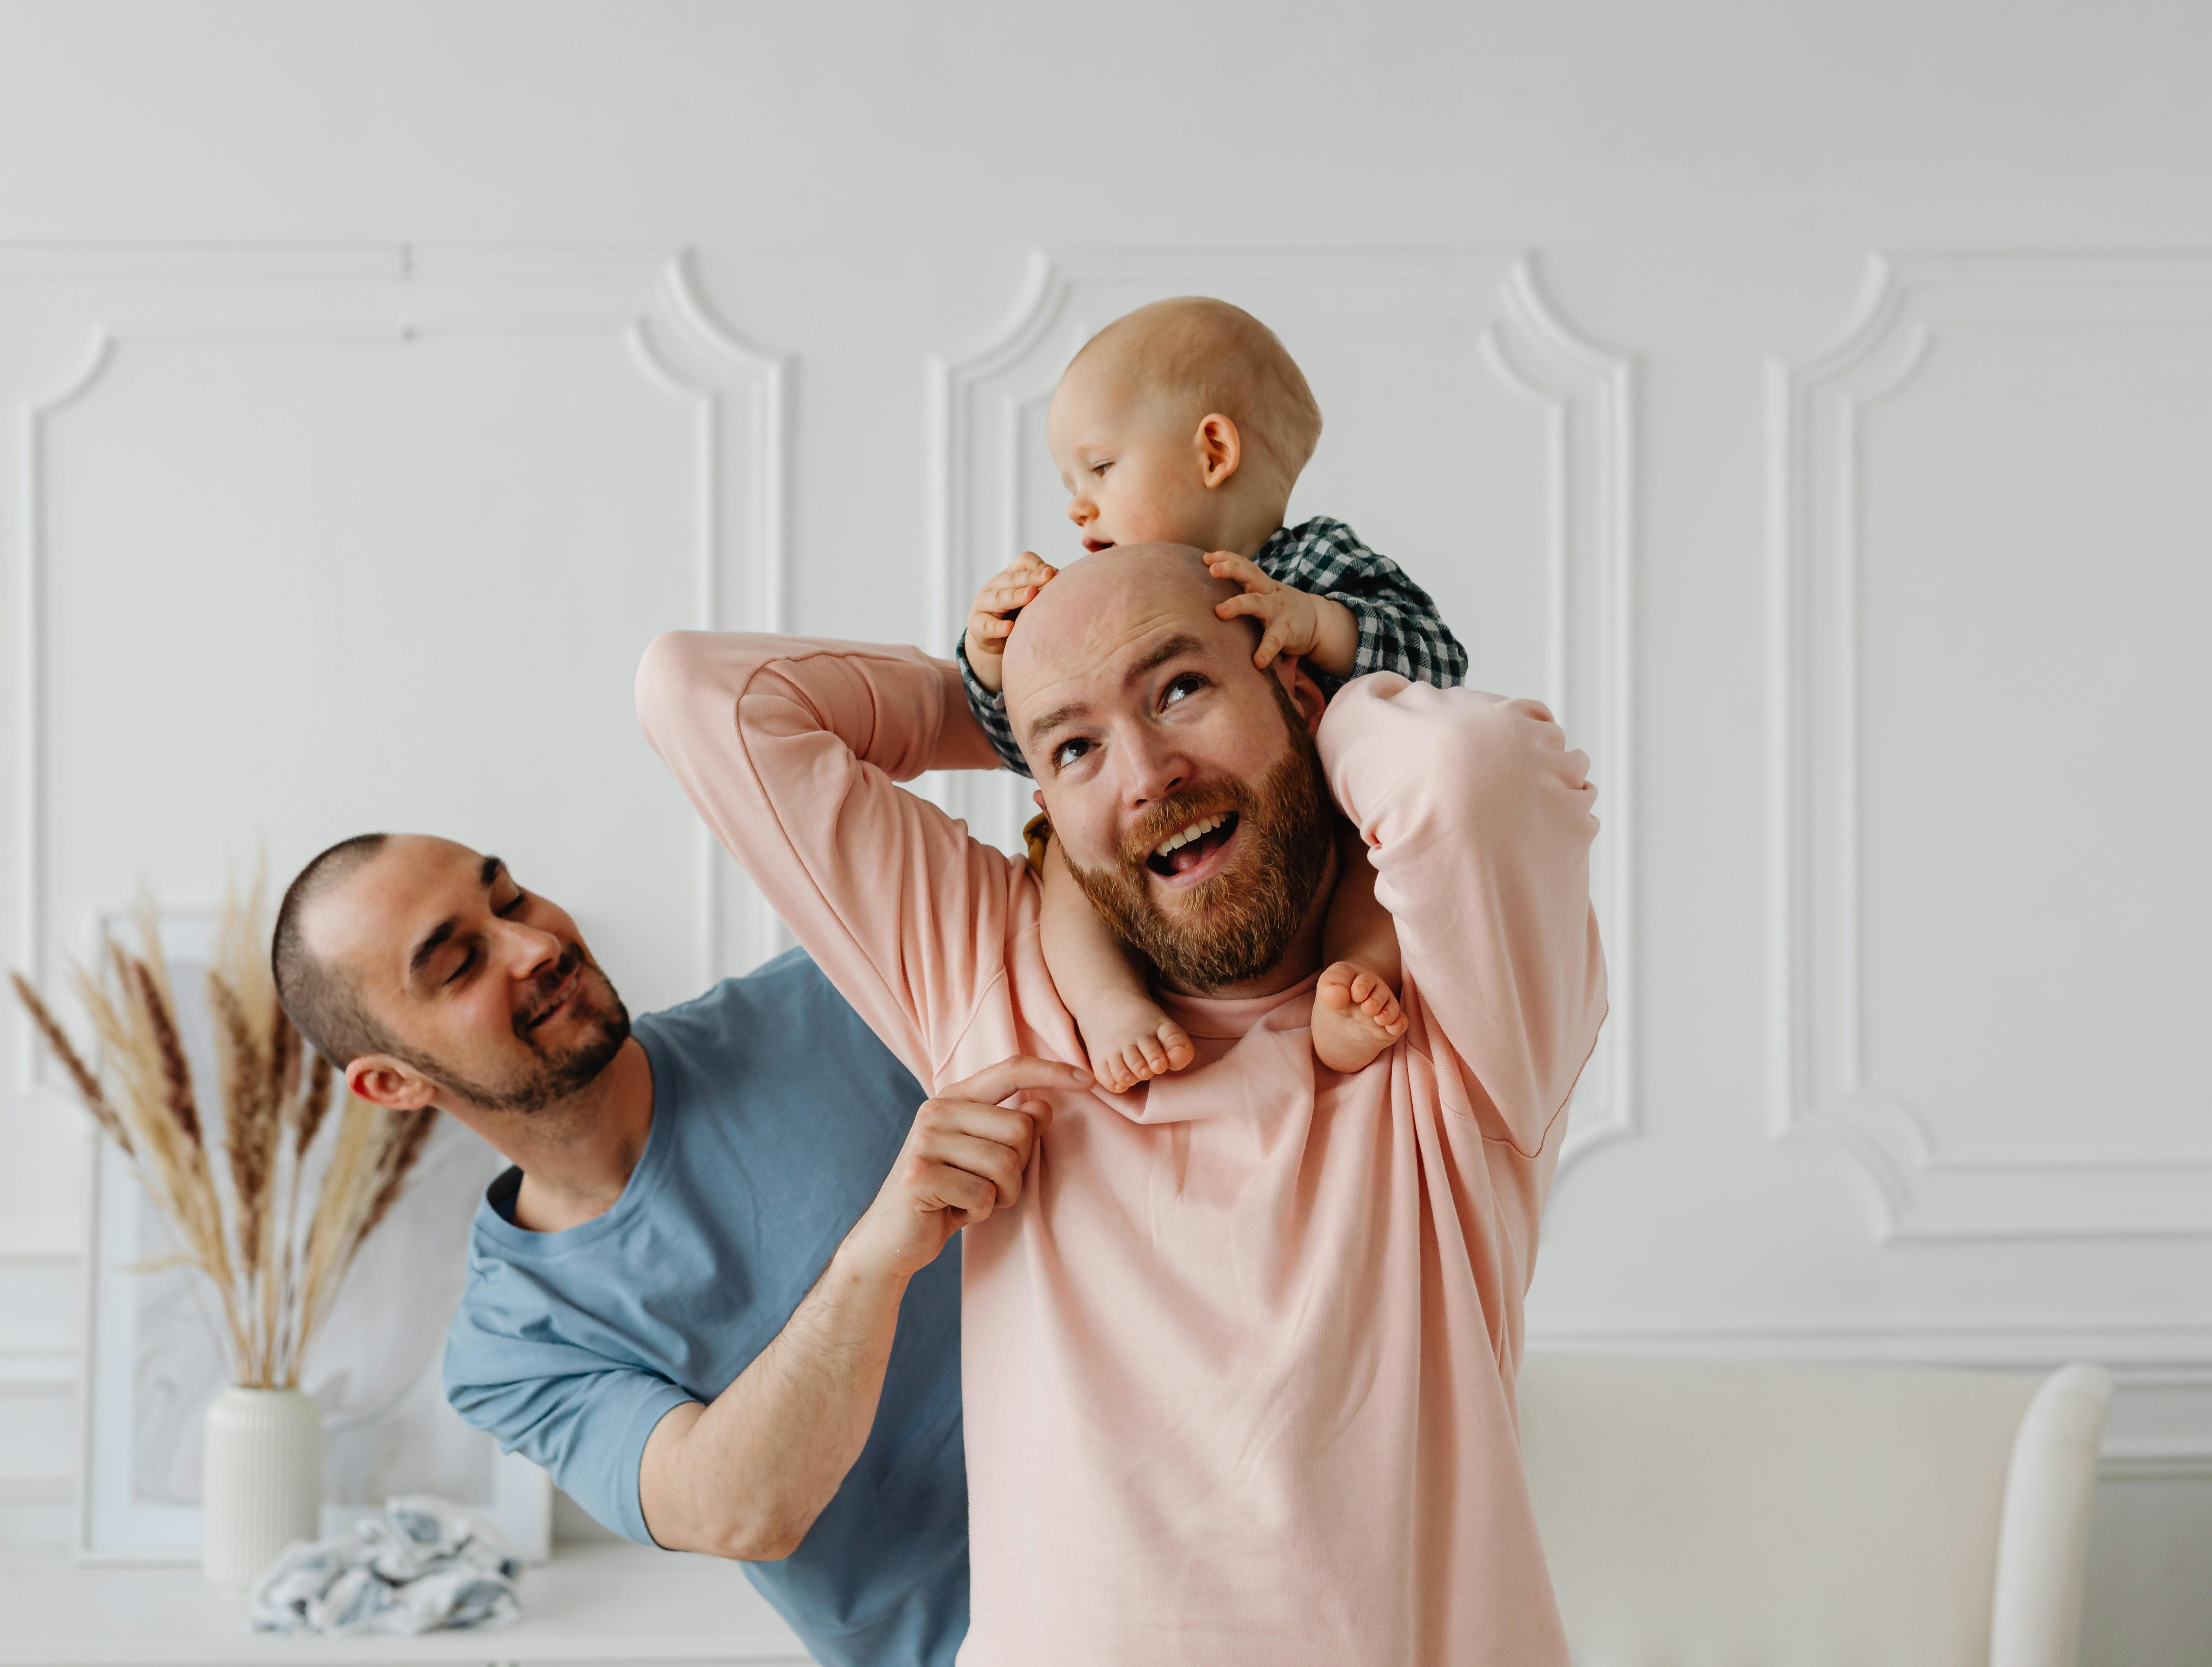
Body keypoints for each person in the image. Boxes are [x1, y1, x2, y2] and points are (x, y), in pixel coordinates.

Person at [639, 543, 1605, 1664]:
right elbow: (698, 694)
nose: (1148, 775)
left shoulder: (1452, 1023)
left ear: (1294, 690)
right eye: (1080, 748)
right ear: (1043, 798)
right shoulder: (996, 982)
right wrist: (999, 701)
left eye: (1182, 689)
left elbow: (1469, 769)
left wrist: (1322, 691)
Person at [268, 837, 1087, 1667]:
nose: (537, 944)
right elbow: (740, 1510)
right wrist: (877, 1255)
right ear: (395, 1083)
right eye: (459, 964)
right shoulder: (513, 1347)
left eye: (511, 898)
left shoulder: (846, 988)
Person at [958, 295, 1469, 1091]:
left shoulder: (1313, 562)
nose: (1077, 507)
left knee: (1385, 859)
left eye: (1100, 468)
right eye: (1071, 483)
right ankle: (1106, 1004)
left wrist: (1318, 622)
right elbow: (1029, 744)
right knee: (1062, 855)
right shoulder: (1103, 602)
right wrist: (991, 661)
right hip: (1180, 857)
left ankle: (1356, 981)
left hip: (1314, 819)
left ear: (1214, 450)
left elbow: (1440, 662)